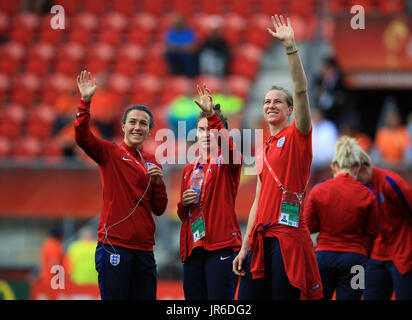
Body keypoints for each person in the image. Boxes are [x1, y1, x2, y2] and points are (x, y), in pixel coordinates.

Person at [232, 15, 323, 300]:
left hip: (287, 238)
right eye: (266, 101)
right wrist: (245, 246)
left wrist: (290, 48)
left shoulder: (299, 136)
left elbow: (300, 89)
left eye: (277, 102)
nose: (271, 105)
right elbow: (258, 200)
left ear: (290, 110)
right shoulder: (263, 148)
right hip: (260, 239)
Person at [74, 70, 168, 300]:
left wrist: (158, 183)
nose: (138, 127)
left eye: (143, 123)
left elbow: (159, 208)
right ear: (123, 126)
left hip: (145, 250)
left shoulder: (153, 162)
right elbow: (82, 137)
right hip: (114, 245)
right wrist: (85, 102)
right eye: (133, 122)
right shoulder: (110, 152)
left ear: (149, 130)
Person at [177, 85, 242, 300]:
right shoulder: (189, 169)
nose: (206, 134)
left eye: (212, 129)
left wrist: (212, 115)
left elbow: (230, 149)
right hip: (194, 249)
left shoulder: (228, 162)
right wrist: (183, 205)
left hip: (221, 246)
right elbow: (183, 216)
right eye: (202, 129)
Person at [304, 136, 379, 300]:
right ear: (357, 168)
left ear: (334, 167)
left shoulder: (318, 190)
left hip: (323, 258)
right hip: (356, 261)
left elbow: (308, 226)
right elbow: (372, 232)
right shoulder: (368, 194)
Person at [356, 145, 412, 300]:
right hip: (373, 257)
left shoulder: (391, 182)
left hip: (403, 253)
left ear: (364, 169)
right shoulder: (351, 188)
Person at [165, 14, 198, 78]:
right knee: (169, 55)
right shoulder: (170, 32)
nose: (178, 24)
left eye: (179, 22)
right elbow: (169, 47)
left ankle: (190, 77)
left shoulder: (189, 32)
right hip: (175, 55)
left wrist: (178, 48)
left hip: (186, 55)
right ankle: (173, 77)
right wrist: (183, 48)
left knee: (189, 56)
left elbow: (192, 47)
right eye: (176, 23)